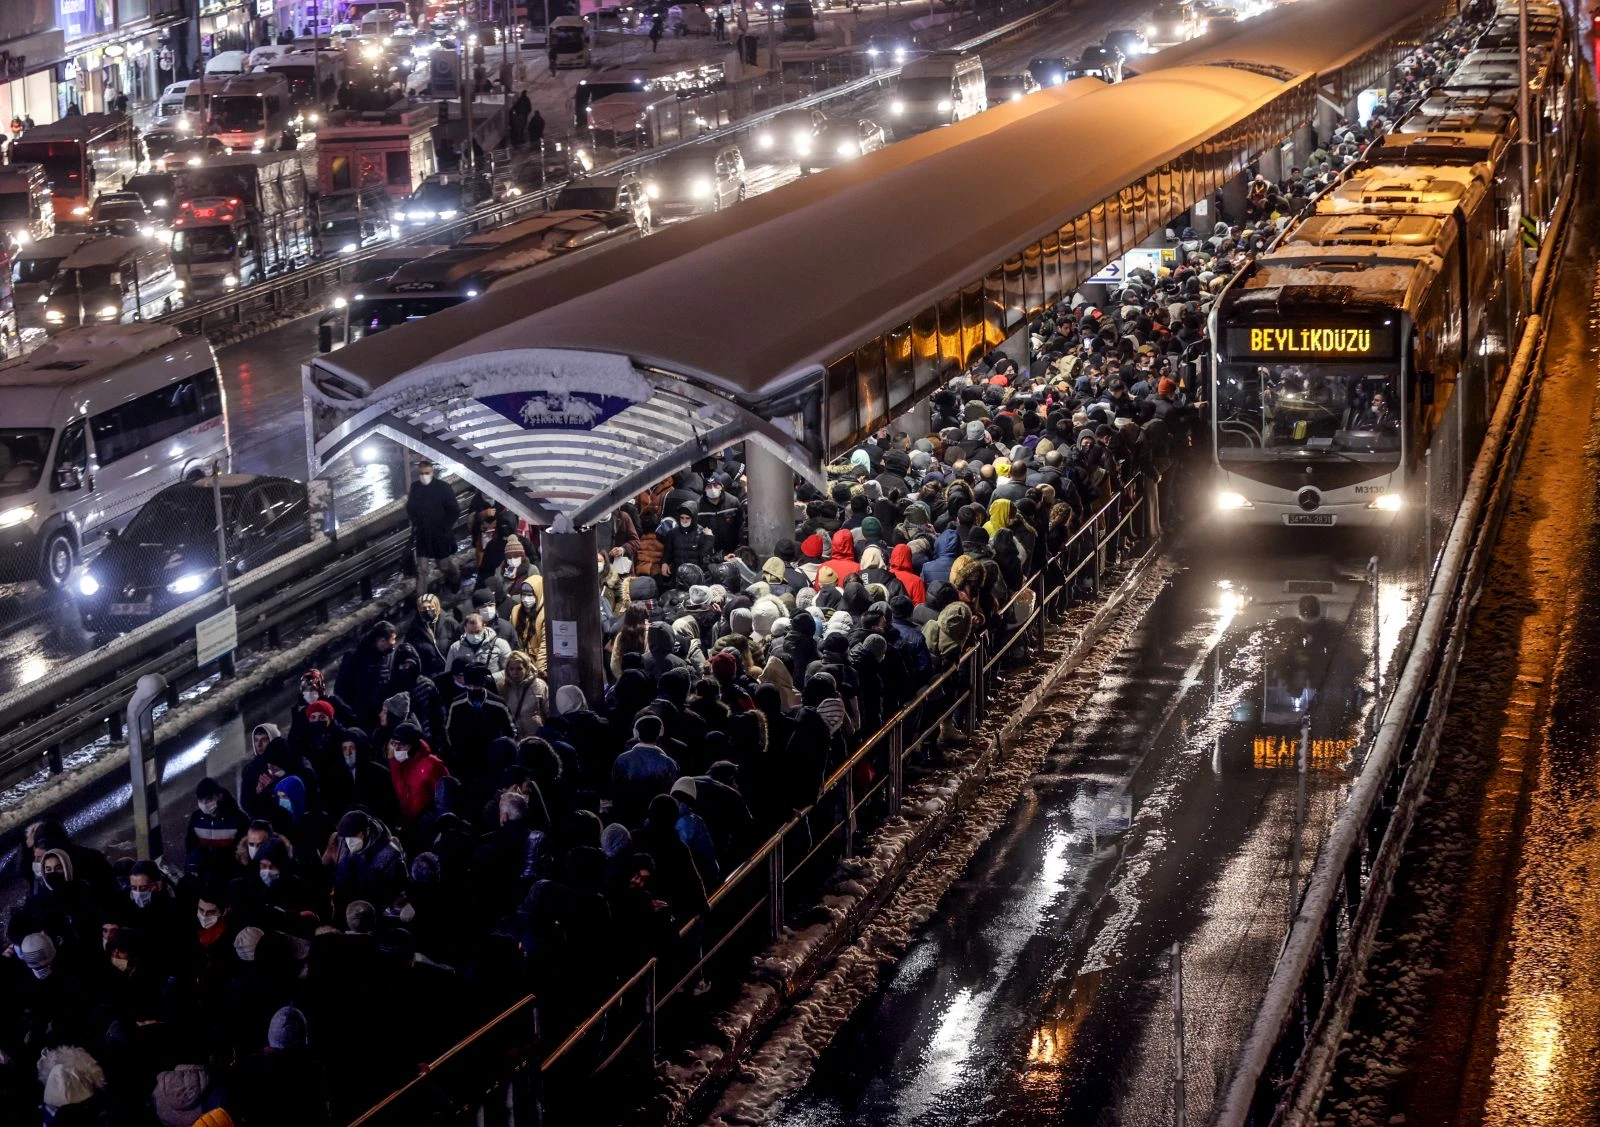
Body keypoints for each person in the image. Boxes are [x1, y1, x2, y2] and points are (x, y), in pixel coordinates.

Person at [406, 459, 459, 593]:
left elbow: (454, 510)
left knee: (443, 565)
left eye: (426, 473)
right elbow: (410, 508)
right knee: (421, 571)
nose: (424, 476)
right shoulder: (415, 487)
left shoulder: (443, 487)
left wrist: (444, 528)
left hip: (439, 535)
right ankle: (422, 604)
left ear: (432, 471)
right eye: (421, 473)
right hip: (422, 535)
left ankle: (455, 575)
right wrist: (416, 523)